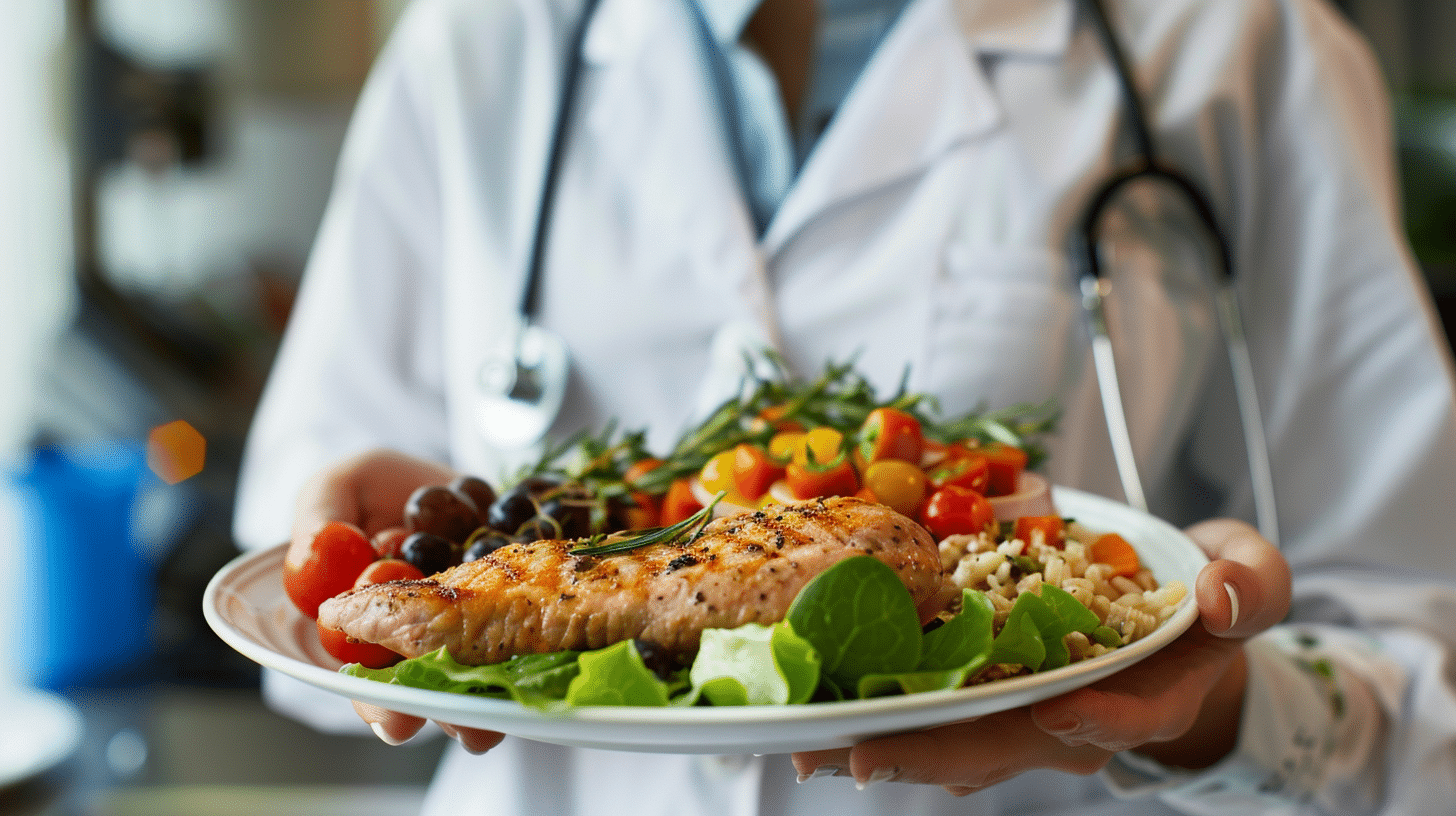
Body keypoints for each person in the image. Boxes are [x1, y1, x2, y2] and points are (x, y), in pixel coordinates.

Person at [232, 0, 1456, 812]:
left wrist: (1202, 710)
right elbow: (302, 629)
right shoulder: (488, 38)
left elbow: (1418, 696)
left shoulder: (1230, 41)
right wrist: (368, 550)